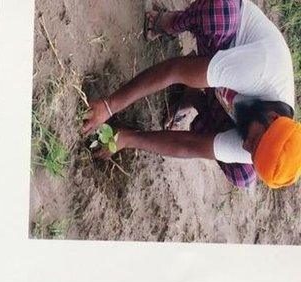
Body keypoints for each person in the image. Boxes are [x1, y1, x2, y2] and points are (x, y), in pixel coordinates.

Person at [82, 0, 301, 189]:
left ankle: (195, 94)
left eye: (252, 154)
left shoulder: (260, 142)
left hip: (223, 88)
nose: (245, 146)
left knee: (243, 176)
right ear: (272, 118)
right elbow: (175, 70)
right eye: (253, 142)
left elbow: (188, 146)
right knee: (219, 12)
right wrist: (108, 106)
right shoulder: (263, 70)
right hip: (224, 41)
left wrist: (127, 139)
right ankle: (170, 23)